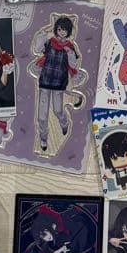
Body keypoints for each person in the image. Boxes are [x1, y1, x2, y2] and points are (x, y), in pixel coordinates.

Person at [31, 16, 82, 153]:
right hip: (45, 82)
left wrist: (69, 52)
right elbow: (37, 49)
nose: (62, 32)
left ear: (69, 31)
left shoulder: (70, 47)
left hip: (59, 83)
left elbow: (73, 65)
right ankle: (43, 138)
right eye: (59, 29)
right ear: (56, 29)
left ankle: (64, 123)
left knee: (58, 110)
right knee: (42, 116)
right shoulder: (49, 42)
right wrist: (44, 32)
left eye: (64, 30)